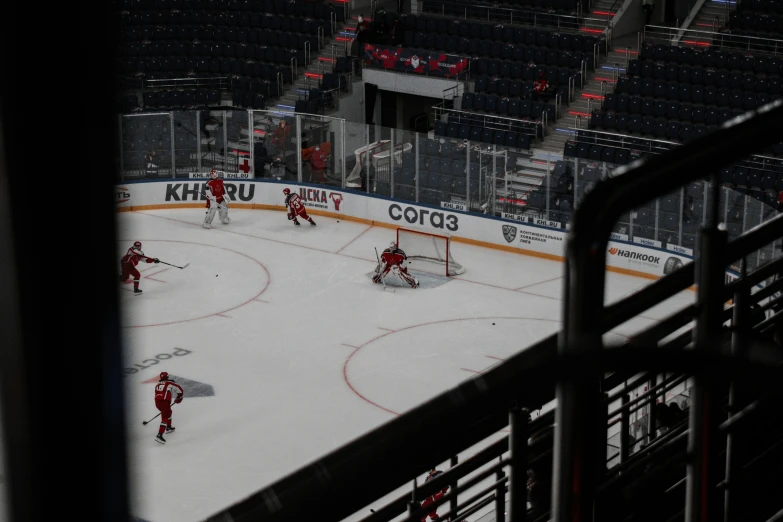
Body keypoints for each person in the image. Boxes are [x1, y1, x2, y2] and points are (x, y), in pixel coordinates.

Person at [154, 371, 184, 445]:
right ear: (167, 377)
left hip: (157, 403)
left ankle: (169, 427)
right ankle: (159, 435)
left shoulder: (157, 385)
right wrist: (179, 397)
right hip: (164, 402)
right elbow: (180, 389)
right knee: (165, 417)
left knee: (169, 412)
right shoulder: (169, 383)